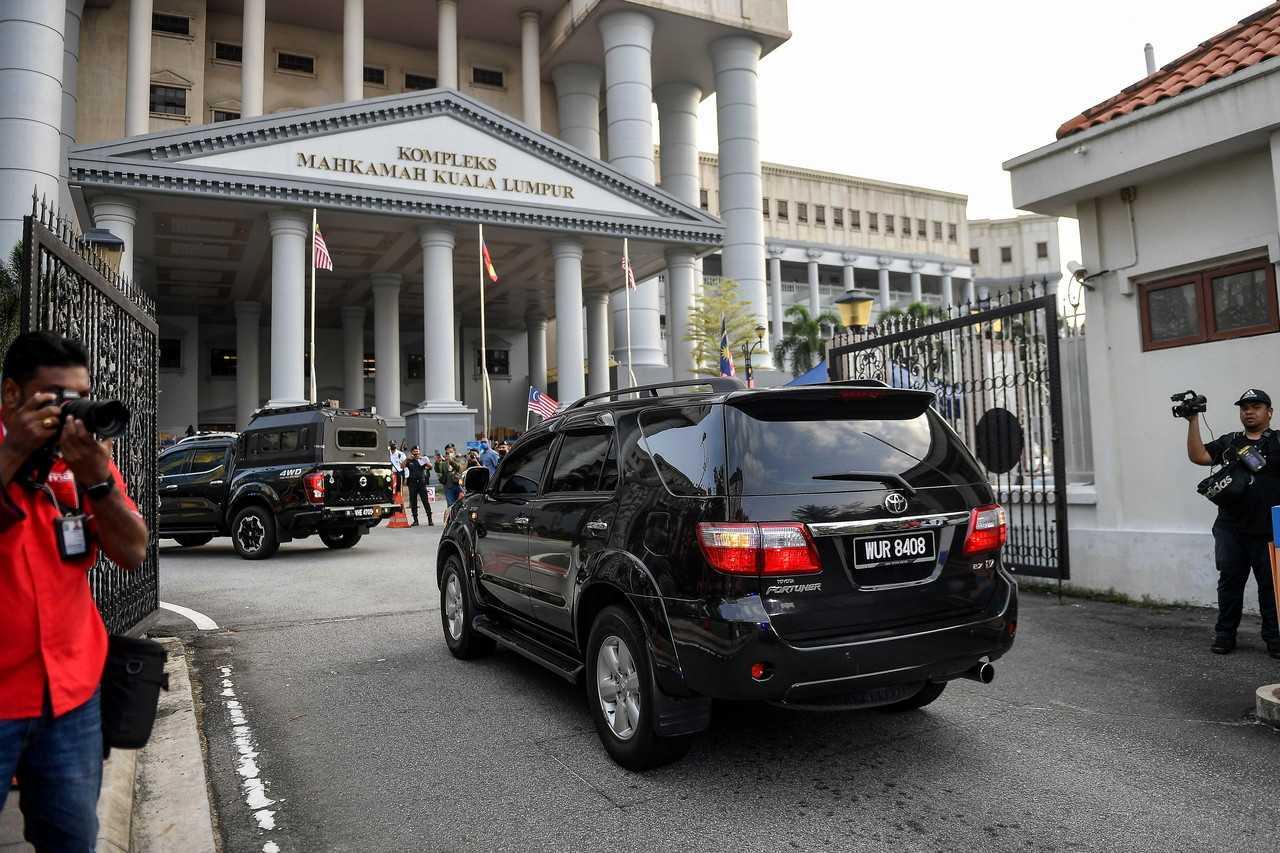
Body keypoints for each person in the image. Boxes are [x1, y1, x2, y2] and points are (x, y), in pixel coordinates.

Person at [0, 331, 149, 849]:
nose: (74, 414)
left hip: (71, 698)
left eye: (79, 397)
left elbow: (132, 552)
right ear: (12, 397)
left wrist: (99, 480)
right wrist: (12, 454)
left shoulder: (81, 463)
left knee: (71, 840)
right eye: (58, 400)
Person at [1186, 388, 1280, 658]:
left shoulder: (1278, 442)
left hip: (1269, 529)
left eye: (1256, 406)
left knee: (1271, 588)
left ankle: (1274, 638)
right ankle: (1225, 635)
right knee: (1229, 583)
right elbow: (1199, 456)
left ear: (1269, 412)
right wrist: (1193, 420)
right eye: (1244, 407)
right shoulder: (1230, 442)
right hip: (1231, 528)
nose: (1249, 411)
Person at [404, 446, 433, 527]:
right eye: (414, 451)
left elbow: (430, 466)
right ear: (412, 452)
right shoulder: (409, 460)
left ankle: (430, 519)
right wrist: (407, 459)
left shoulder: (423, 459)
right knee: (413, 502)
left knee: (425, 501)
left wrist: (423, 460)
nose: (416, 453)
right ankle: (415, 520)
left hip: (421, 483)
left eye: (417, 451)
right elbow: (401, 466)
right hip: (412, 483)